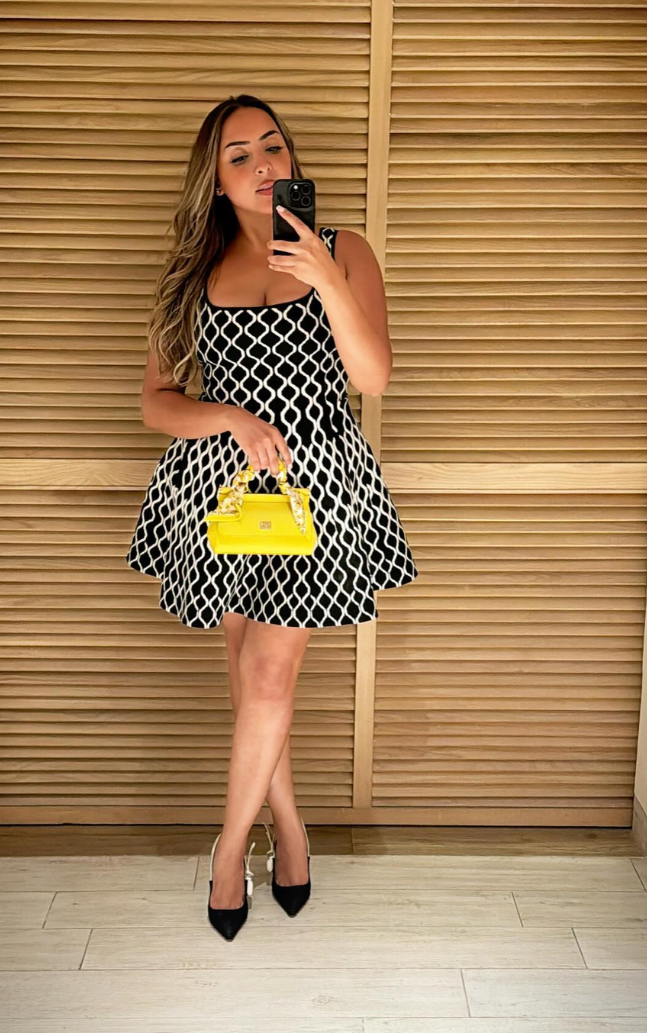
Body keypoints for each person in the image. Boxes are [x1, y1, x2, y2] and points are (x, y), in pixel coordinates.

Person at [125, 93, 419, 940]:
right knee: (249, 678)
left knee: (264, 679)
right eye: (240, 156)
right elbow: (156, 401)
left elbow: (372, 378)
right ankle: (289, 830)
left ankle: (228, 857)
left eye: (273, 147)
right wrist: (228, 417)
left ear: (292, 158)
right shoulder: (192, 272)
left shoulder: (343, 249)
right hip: (221, 493)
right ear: (215, 180)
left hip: (318, 490)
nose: (263, 166)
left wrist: (324, 278)